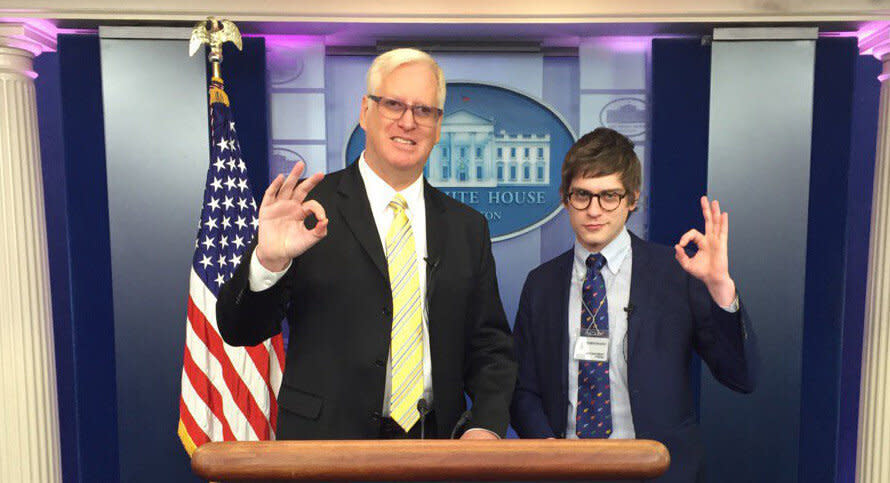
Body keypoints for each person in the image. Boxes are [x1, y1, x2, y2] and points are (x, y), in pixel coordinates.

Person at [216, 48, 516, 440]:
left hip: (436, 447)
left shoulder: (466, 228)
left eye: (424, 110)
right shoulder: (308, 210)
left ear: (438, 125)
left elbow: (490, 346)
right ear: (365, 111)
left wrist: (486, 425)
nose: (408, 121)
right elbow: (240, 329)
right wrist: (268, 262)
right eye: (393, 104)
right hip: (328, 448)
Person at [510, 127, 758, 482]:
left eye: (609, 196)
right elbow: (523, 389)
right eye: (582, 195)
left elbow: (742, 377)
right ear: (566, 198)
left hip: (660, 471)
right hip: (565, 471)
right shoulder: (541, 284)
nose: (594, 210)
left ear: (632, 198)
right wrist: (550, 451)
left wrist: (721, 287)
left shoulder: (676, 273)